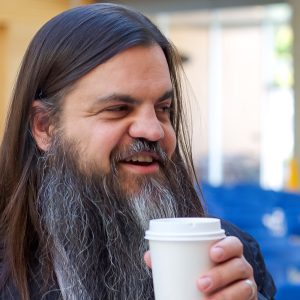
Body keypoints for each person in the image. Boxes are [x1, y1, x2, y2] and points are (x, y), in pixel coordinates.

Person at [0, 3, 275, 300]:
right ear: (45, 126)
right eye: (118, 109)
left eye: (163, 109)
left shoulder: (228, 258)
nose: (154, 130)